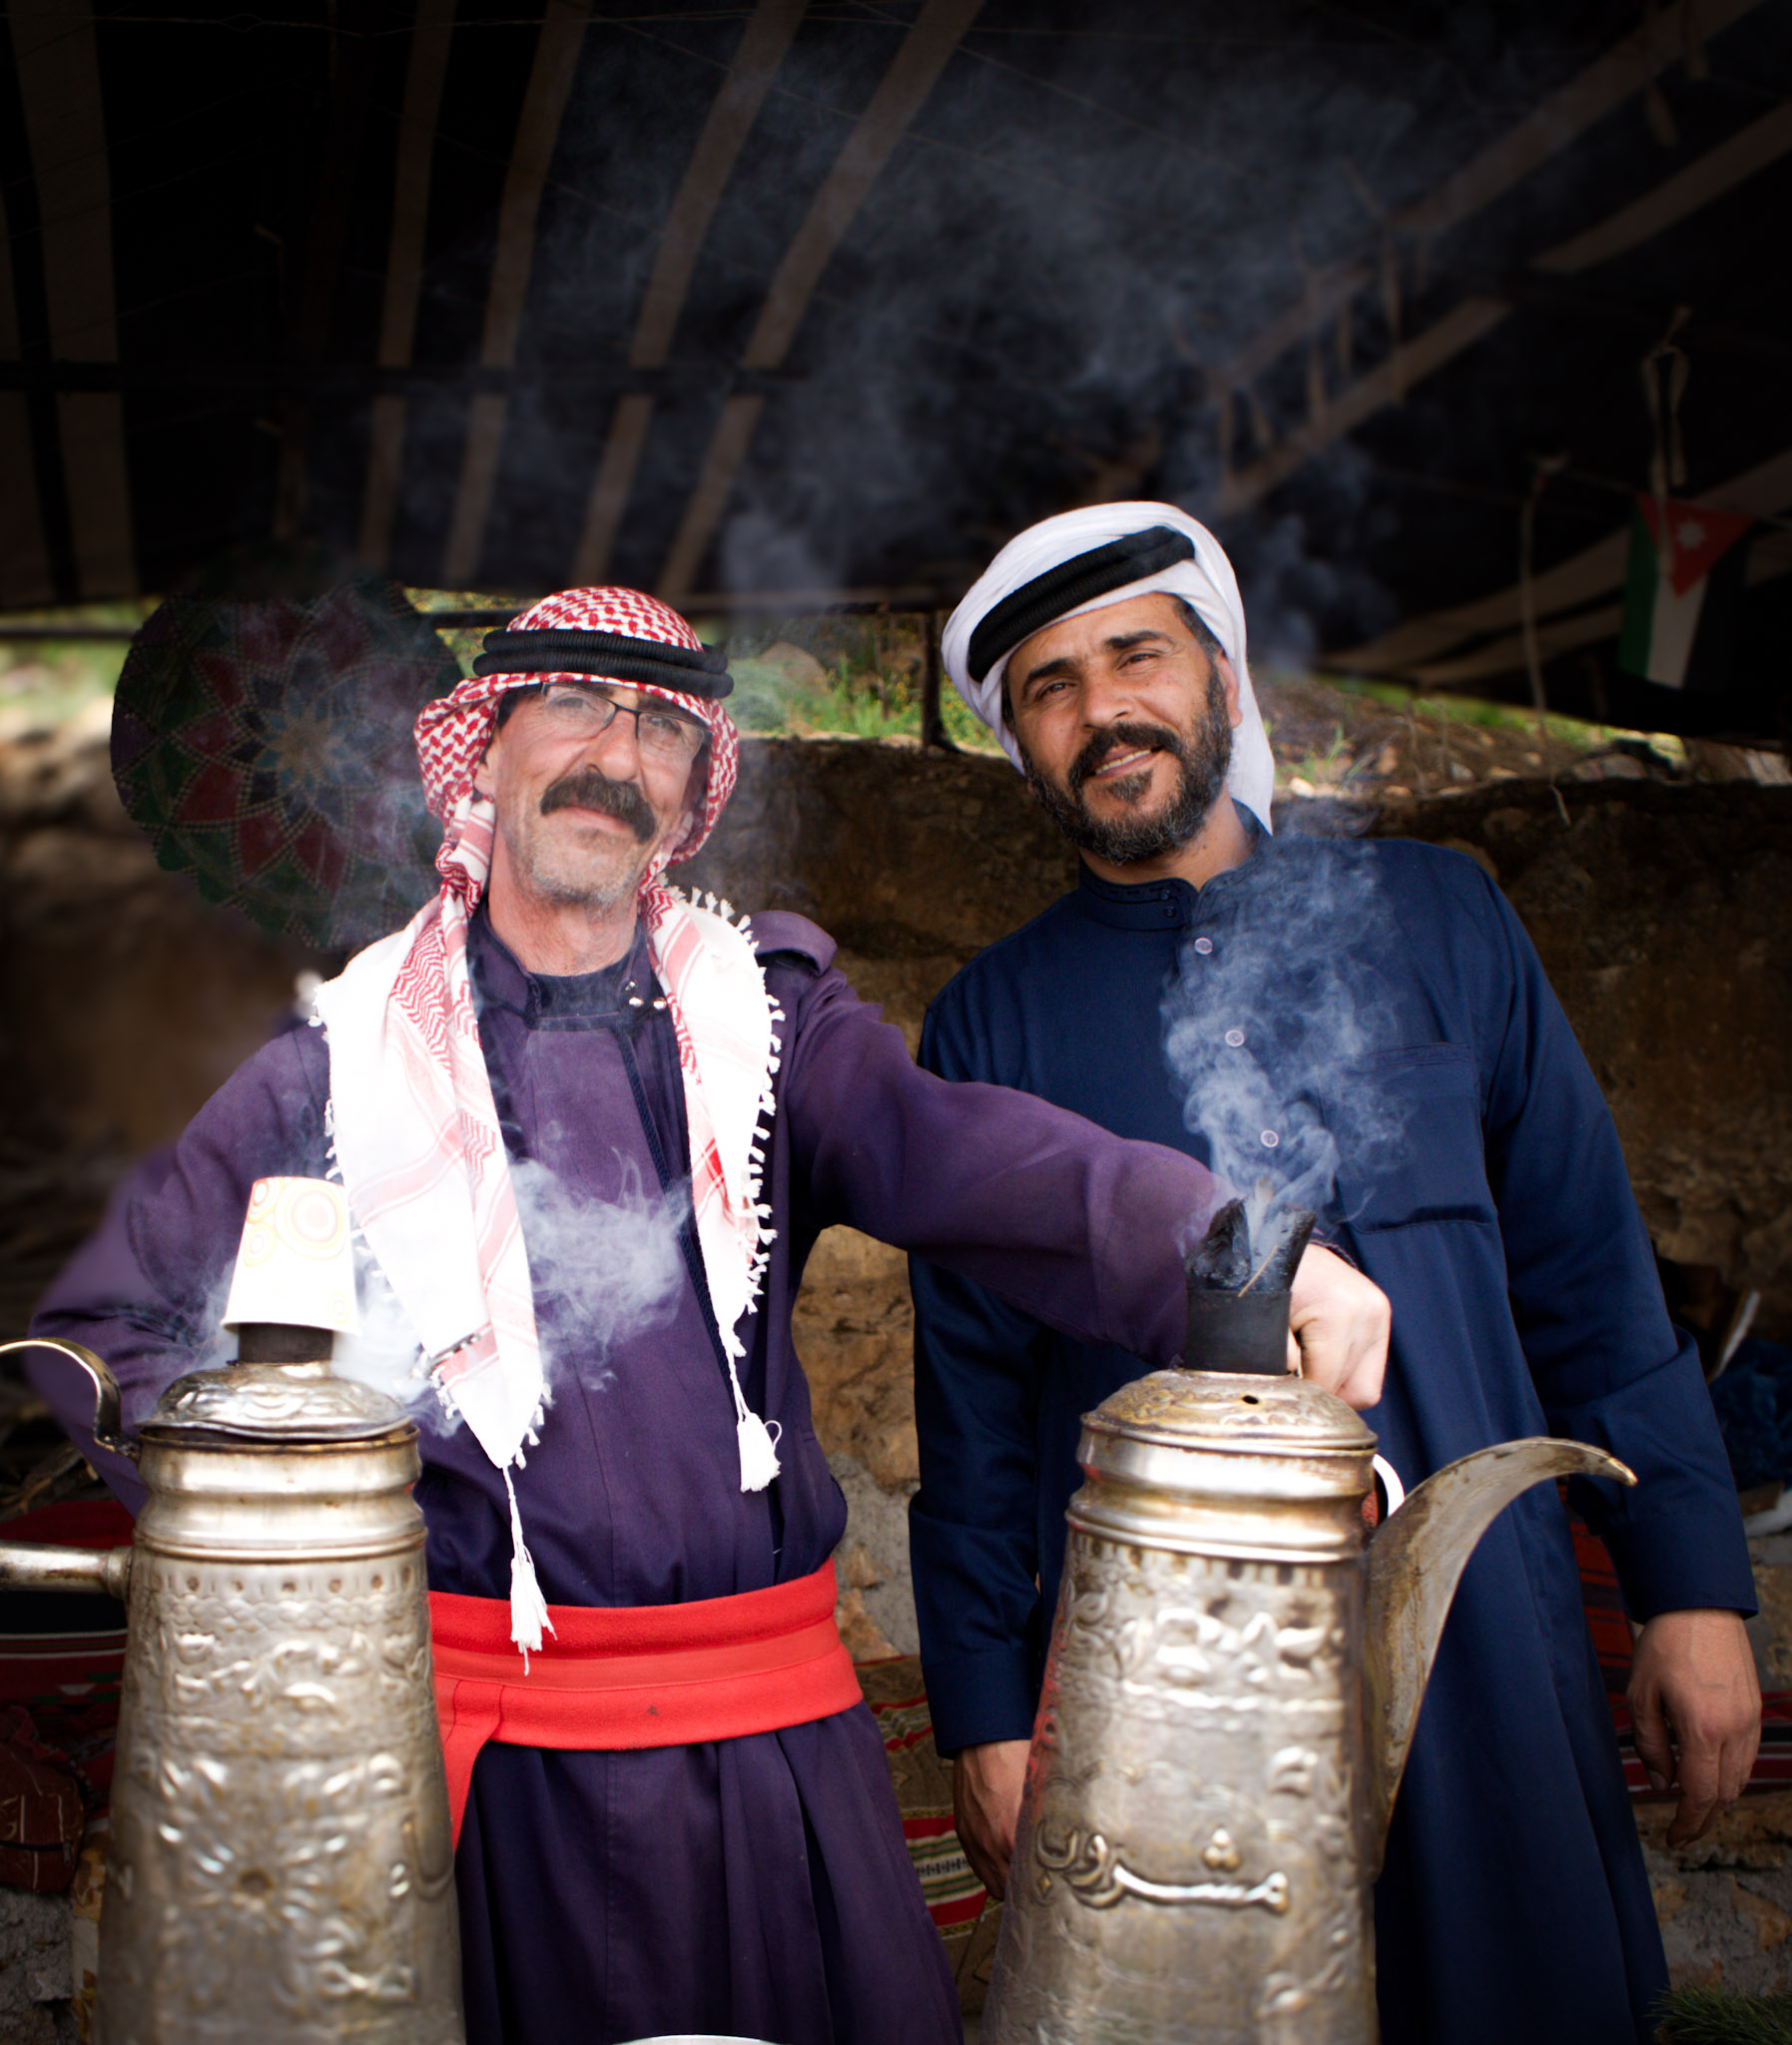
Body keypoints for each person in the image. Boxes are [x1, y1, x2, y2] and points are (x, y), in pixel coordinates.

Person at [29, 584, 1387, 2045]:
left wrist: (1228, 1248)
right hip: (467, 1773)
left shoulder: (768, 1019)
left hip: (771, 1760)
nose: (615, 754)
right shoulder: (336, 1066)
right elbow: (111, 1327)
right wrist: (280, 1530)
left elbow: (971, 1155)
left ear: (691, 790)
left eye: (662, 726)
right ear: (480, 753)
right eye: (572, 710)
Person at [907, 506, 1763, 2045]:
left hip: (1481, 1635)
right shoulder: (992, 1028)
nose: (1102, 708)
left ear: (1220, 675)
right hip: (1170, 1688)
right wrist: (984, 1710)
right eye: (1048, 686)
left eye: (1135, 655)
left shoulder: (1446, 920)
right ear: (1022, 745)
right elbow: (971, 1420)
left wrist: (1691, 1592)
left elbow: (1590, 1281)